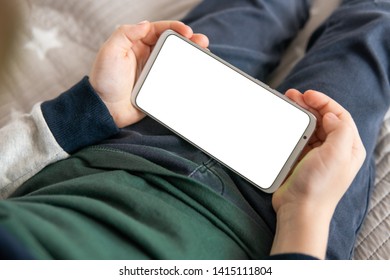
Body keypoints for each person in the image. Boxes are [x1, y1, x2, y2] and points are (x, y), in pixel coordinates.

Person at [0, 0, 388, 260]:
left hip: (123, 147)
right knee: (372, 35)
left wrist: (92, 109)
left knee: (251, 8)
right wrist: (308, 211)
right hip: (281, 228)